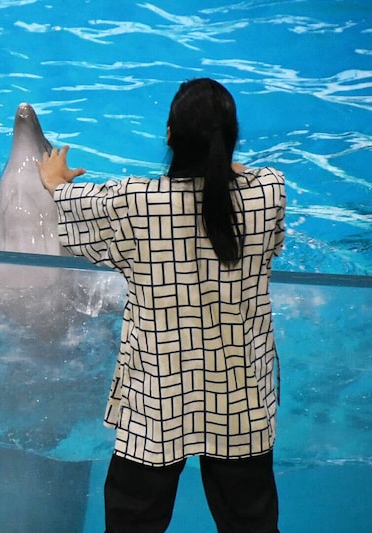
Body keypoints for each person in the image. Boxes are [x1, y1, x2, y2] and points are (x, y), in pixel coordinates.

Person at [36, 78, 286, 533]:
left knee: (134, 523)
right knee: (251, 524)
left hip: (158, 398)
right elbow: (254, 202)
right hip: (240, 396)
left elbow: (65, 202)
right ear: (230, 139)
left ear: (169, 136)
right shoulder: (268, 193)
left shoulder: (135, 203)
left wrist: (53, 179)